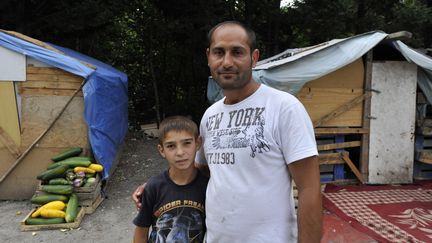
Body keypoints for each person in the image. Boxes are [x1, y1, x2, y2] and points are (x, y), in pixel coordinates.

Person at [134, 21, 322, 243]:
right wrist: (158, 184)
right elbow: (202, 169)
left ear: (254, 57)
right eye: (219, 52)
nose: (227, 62)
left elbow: (309, 189)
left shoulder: (283, 108)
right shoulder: (210, 116)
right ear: (208, 57)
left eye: (237, 52)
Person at [133, 116, 208, 243]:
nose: (180, 152)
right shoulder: (154, 187)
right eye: (171, 146)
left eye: (187, 143)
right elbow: (141, 231)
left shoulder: (208, 186)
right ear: (161, 150)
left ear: (198, 143)